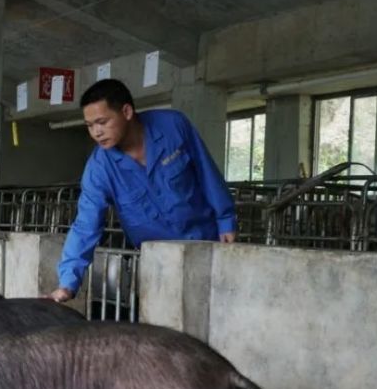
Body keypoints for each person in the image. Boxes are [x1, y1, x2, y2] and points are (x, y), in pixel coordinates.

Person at [48, 78, 236, 303]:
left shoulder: (173, 126)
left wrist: (226, 219)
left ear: (126, 111)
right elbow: (85, 225)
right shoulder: (99, 168)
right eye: (89, 125)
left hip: (208, 243)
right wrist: (68, 283)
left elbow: (207, 172)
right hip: (159, 263)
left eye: (102, 121)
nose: (96, 132)